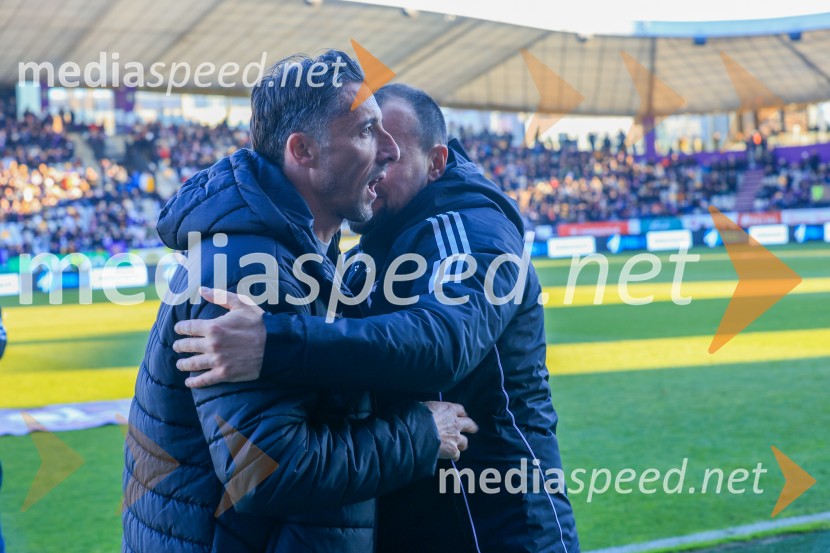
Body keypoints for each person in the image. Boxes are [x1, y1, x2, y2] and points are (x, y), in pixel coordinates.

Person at [174, 84, 580, 552]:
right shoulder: (372, 246)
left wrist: (272, 343)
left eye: (390, 157)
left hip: (494, 527)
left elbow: (444, 343)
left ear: (435, 163)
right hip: (425, 523)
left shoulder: (466, 231)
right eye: (368, 146)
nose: (373, 166)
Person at [124, 53, 477, 553]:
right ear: (304, 151)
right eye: (366, 131)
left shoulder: (295, 251)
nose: (391, 149)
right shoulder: (249, 265)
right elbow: (267, 471)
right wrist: (422, 433)